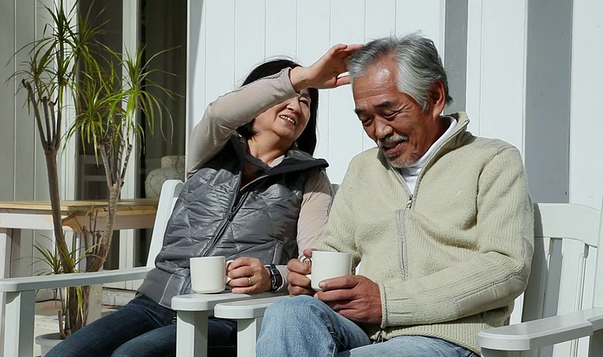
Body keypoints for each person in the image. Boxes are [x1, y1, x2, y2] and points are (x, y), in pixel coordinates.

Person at [46, 43, 362, 357]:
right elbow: (219, 113)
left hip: (230, 314)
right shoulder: (212, 149)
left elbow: (312, 261)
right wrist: (303, 77)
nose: (296, 105)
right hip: (154, 302)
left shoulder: (310, 176)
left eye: (306, 102)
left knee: (132, 355)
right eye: (286, 95)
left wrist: (272, 275)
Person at [256, 34, 535, 357]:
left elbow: (507, 267)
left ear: (434, 97)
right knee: (287, 313)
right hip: (365, 333)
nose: (379, 131)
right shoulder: (363, 169)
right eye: (365, 118)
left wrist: (388, 302)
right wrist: (309, 276)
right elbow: (332, 250)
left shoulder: (492, 160)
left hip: (448, 339)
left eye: (389, 112)